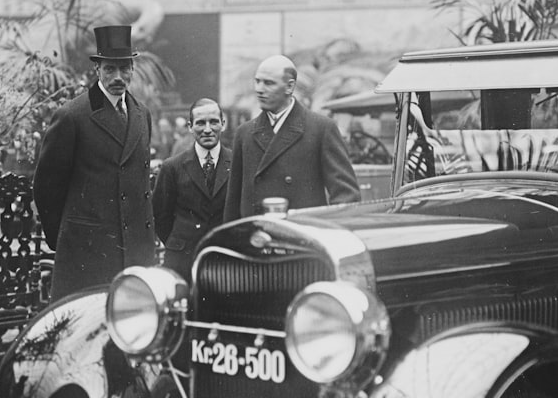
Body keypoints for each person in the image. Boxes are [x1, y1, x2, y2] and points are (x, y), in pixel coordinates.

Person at [33, 25, 157, 299]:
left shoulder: (141, 114)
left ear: (133, 69)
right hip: (88, 252)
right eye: (110, 69)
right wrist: (67, 238)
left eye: (125, 69)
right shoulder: (72, 116)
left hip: (135, 251)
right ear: (97, 69)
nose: (118, 77)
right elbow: (46, 187)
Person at [224, 54, 361, 221]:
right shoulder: (244, 133)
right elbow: (233, 203)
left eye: (268, 83)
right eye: (257, 81)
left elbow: (346, 197)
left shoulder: (320, 129)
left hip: (302, 236)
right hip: (255, 238)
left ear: (289, 87)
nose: (259, 89)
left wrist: (326, 234)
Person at [153, 98, 231, 281]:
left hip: (225, 259)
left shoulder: (237, 163)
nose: (207, 129)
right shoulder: (172, 167)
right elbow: (160, 215)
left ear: (223, 124)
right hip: (182, 261)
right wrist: (180, 242)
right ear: (190, 127)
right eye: (200, 123)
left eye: (213, 122)